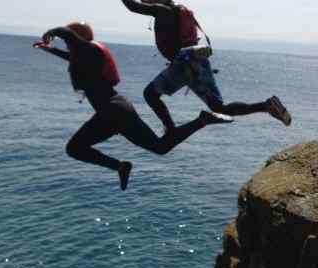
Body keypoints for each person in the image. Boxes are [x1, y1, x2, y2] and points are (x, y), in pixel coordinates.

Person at [34, 22, 232, 191]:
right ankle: (121, 166)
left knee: (76, 148)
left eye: (69, 42)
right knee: (158, 147)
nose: (68, 45)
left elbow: (66, 34)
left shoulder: (88, 49)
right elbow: (71, 57)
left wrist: (52, 32)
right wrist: (48, 49)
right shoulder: (87, 56)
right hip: (112, 112)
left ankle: (201, 121)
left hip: (114, 111)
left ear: (77, 39)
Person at [120, 0, 291, 133]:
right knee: (219, 108)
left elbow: (132, 6)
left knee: (150, 94)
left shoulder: (162, 10)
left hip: (183, 63)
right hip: (197, 61)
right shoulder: (177, 10)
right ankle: (266, 106)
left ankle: (170, 129)